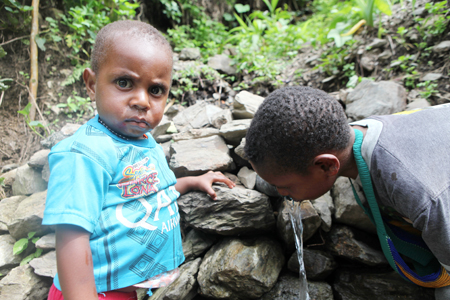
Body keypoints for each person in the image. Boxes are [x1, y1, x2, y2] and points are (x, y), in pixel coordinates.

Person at [42, 20, 235, 300]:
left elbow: (147, 193)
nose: (142, 101)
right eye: (124, 83)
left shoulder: (141, 140)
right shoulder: (85, 154)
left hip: (129, 291)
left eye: (156, 90)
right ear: (92, 83)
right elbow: (72, 237)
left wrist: (191, 182)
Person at [244, 85, 450, 299]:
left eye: (285, 186)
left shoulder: (420, 194)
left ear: (326, 167)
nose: (280, 192)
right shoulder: (347, 135)